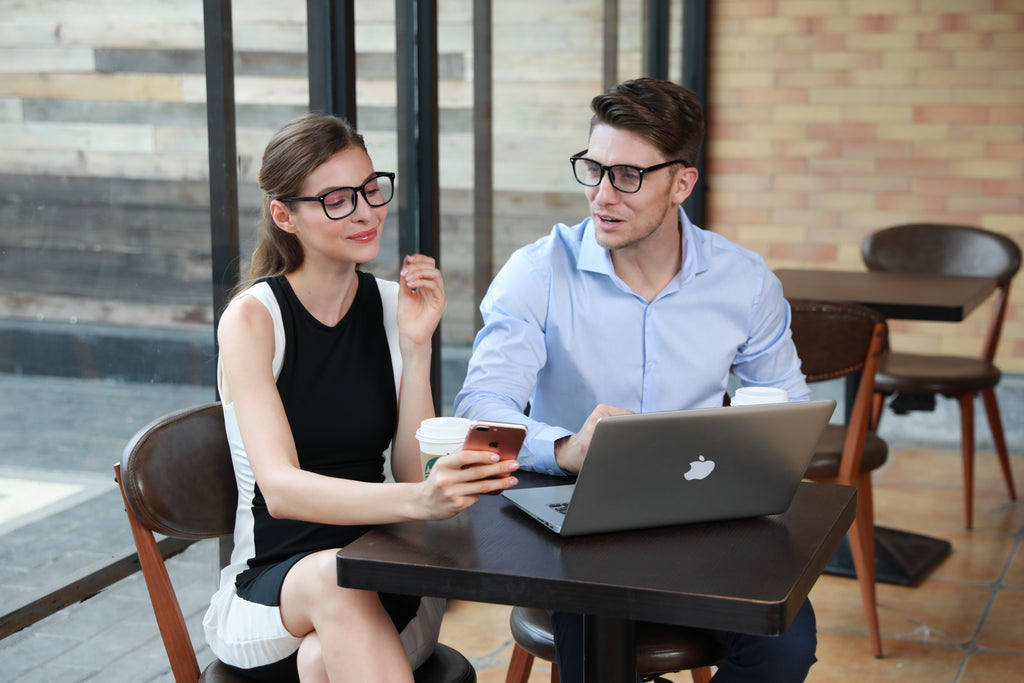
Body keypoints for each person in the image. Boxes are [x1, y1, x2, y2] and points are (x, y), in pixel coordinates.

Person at [454, 78, 816, 682]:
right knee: (598, 654)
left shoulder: (744, 281)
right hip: (575, 534)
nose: (602, 195)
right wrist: (565, 449)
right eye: (593, 170)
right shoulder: (537, 273)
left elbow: (789, 412)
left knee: (784, 646)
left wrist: (754, 446)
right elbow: (481, 414)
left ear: (682, 183)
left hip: (705, 524)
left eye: (627, 176)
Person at [202, 112, 520, 683]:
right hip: (276, 586)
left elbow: (406, 465)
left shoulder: (395, 303)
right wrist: (419, 501)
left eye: (370, 189)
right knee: (333, 580)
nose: (367, 211)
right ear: (284, 215)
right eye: (336, 199)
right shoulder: (253, 319)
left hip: (387, 572)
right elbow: (281, 491)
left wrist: (416, 347)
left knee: (325, 658)